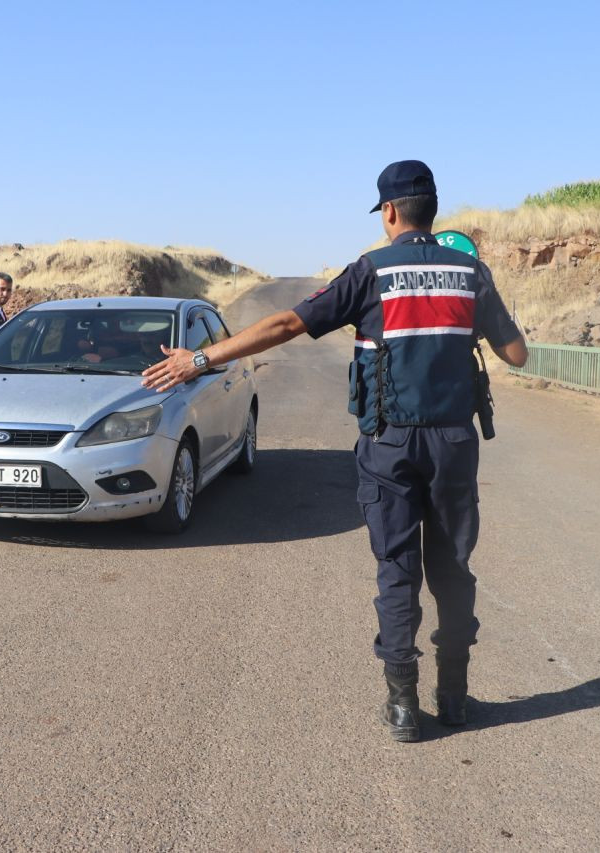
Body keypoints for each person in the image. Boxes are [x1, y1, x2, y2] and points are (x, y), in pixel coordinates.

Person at [142, 160, 528, 743]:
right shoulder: (471, 273)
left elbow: (285, 324)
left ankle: (402, 706)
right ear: (433, 208)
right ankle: (453, 699)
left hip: (389, 442)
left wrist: (198, 360)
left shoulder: (370, 271)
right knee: (451, 568)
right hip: (454, 442)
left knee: (398, 570)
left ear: (390, 212)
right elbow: (517, 354)